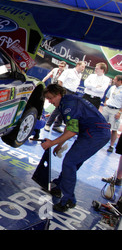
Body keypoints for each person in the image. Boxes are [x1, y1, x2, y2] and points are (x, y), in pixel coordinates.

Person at [41, 84, 110, 212]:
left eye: (50, 98)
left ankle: (68, 200)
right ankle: (60, 186)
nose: (49, 101)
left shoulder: (69, 105)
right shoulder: (67, 102)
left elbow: (72, 131)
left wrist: (52, 143)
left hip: (96, 134)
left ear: (58, 95)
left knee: (70, 162)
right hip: (92, 132)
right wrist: (59, 144)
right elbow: (70, 126)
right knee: (73, 162)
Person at [44, 61, 86, 133]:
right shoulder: (69, 71)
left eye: (84, 67)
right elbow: (60, 81)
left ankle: (56, 125)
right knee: (59, 108)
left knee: (66, 110)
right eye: (82, 66)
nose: (83, 68)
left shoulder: (80, 75)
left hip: (73, 93)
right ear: (78, 65)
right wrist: (60, 92)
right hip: (65, 91)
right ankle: (48, 124)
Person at [101, 75, 122, 153]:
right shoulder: (112, 87)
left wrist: (119, 112)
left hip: (115, 110)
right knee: (101, 125)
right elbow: (107, 96)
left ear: (120, 81)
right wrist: (106, 103)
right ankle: (99, 140)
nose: (113, 81)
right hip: (107, 108)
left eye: (115, 80)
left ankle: (111, 145)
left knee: (114, 129)